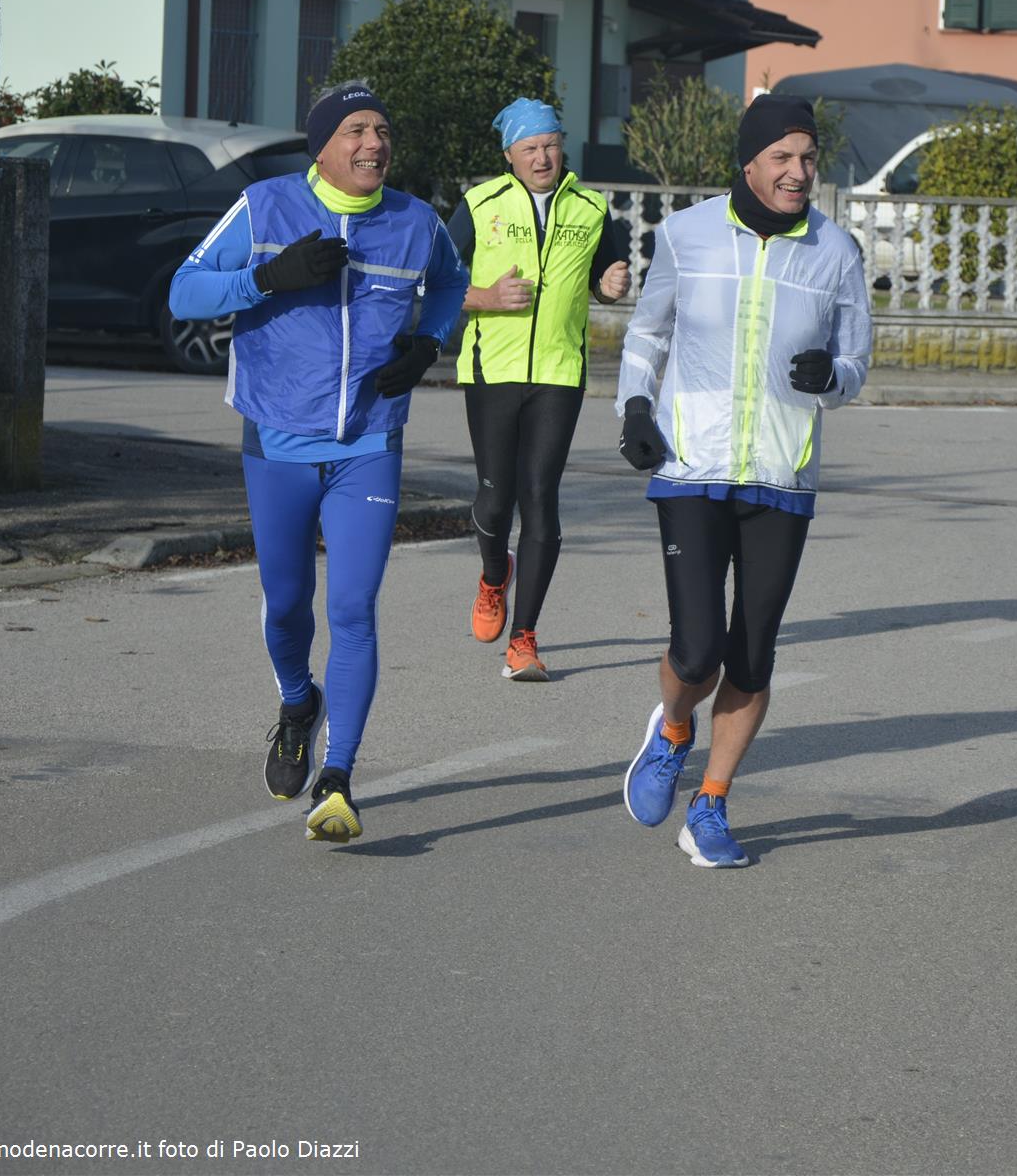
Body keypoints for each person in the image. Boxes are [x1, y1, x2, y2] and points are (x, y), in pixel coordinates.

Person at [169, 81, 468, 843]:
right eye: (356, 130)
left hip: (370, 441)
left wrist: (427, 343)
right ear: (323, 146)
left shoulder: (415, 221)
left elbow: (451, 282)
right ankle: (299, 703)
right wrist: (267, 277)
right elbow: (184, 293)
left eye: (382, 130)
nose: (374, 143)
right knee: (286, 604)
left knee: (353, 609)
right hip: (279, 439)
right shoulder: (265, 207)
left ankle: (337, 779)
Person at [614, 93, 871, 869]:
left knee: (752, 655)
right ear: (750, 162)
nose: (799, 171)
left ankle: (712, 805)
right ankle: (673, 728)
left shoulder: (836, 252)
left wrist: (832, 376)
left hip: (782, 474)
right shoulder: (686, 233)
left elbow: (855, 363)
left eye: (808, 158)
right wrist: (634, 406)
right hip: (692, 465)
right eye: (783, 157)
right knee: (697, 652)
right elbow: (648, 328)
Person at [448, 97, 630, 681]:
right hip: (491, 370)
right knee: (494, 498)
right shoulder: (480, 205)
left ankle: (524, 639)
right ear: (510, 155)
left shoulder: (592, 208)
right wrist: (486, 297)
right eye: (530, 148)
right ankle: (493, 576)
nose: (543, 157)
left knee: (540, 496)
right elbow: (433, 282)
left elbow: (605, 279)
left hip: (559, 373)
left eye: (550, 144)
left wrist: (610, 284)